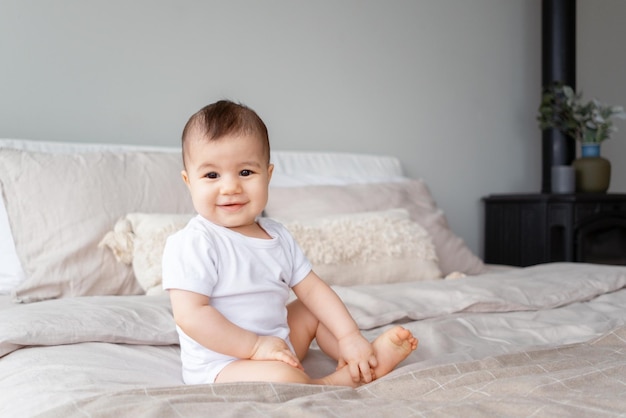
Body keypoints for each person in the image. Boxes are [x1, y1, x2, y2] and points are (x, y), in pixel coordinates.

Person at [162, 100, 417, 386]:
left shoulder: (278, 236)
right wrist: (255, 346)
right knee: (284, 377)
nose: (230, 187)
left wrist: (350, 335)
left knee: (314, 310)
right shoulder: (194, 242)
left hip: (278, 343)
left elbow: (312, 290)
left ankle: (359, 359)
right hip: (224, 364)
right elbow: (191, 315)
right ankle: (334, 383)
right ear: (189, 182)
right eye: (212, 175)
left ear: (268, 176)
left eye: (246, 172)